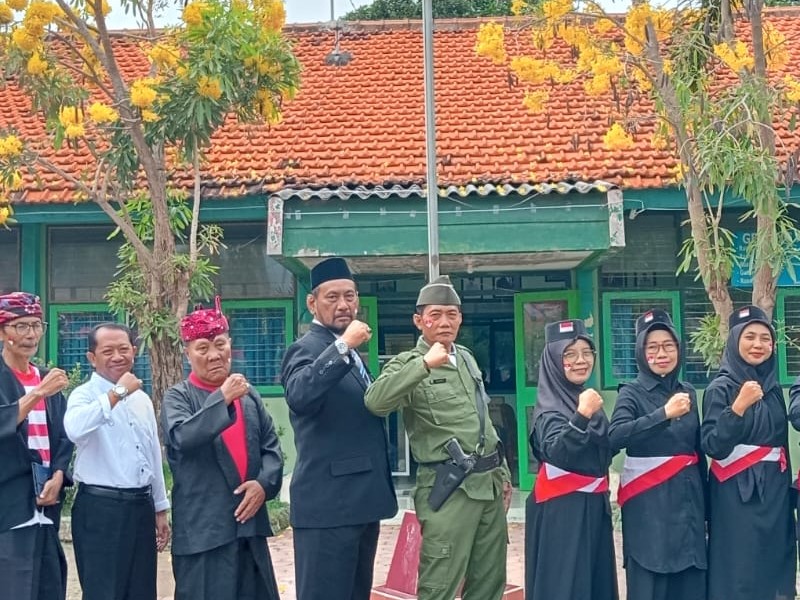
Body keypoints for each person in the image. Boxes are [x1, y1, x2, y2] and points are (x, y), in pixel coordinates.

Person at [365, 275, 512, 600]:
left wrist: (503, 474)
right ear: (419, 321)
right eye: (435, 315)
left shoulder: (467, 358)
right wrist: (424, 365)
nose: (445, 322)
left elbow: (482, 420)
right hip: (449, 490)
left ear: (460, 318)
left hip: (487, 485)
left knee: (490, 583)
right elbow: (375, 402)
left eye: (452, 314)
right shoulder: (408, 363)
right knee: (439, 586)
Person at [280, 257, 397, 600]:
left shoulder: (354, 354)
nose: (344, 304)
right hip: (328, 507)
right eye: (332, 297)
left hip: (362, 503)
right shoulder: (306, 349)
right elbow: (300, 395)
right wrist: (343, 345)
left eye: (350, 295)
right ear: (312, 303)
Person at [162, 297, 283, 600]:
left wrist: (263, 485)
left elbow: (271, 448)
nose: (214, 355)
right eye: (203, 348)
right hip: (204, 534)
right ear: (187, 353)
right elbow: (182, 438)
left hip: (249, 530)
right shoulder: (178, 397)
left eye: (220, 344)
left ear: (230, 345)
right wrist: (222, 398)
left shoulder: (249, 395)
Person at [64, 323, 170, 600]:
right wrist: (117, 393)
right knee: (104, 592)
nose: (117, 357)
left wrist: (160, 508)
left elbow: (152, 456)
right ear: (92, 358)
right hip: (101, 509)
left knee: (141, 590)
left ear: (134, 351)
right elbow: (74, 429)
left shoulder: (142, 399)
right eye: (107, 351)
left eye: (124, 349)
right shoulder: (83, 395)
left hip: (141, 506)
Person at [609, 309, 706, 600]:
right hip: (649, 511)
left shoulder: (687, 391)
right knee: (650, 584)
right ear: (641, 352)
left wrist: (708, 511)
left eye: (668, 345)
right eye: (652, 347)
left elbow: (697, 451)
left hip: (688, 508)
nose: (661, 353)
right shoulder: (631, 393)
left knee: (690, 586)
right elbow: (615, 436)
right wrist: (663, 414)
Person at [701, 305, 796, 600]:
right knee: (739, 569)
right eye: (750, 337)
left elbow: (781, 446)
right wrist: (738, 407)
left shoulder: (773, 389)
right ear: (734, 341)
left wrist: (788, 493)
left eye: (765, 339)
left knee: (775, 565)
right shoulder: (720, 388)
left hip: (775, 495)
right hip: (735, 497)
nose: (758, 344)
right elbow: (713, 445)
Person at [524, 319, 617, 600]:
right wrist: (582, 415)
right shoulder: (550, 409)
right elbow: (557, 452)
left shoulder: (584, 398)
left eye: (587, 352)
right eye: (570, 354)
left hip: (594, 506)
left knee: (595, 584)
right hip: (562, 510)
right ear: (554, 361)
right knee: (565, 585)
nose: (580, 361)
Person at [0, 292, 73, 600]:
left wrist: (59, 474)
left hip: (46, 503)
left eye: (36, 325)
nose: (30, 334)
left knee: (49, 586)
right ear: (2, 332)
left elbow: (64, 436)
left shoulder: (45, 378)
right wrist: (37, 394)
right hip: (9, 506)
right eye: (20, 326)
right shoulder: (38, 384)